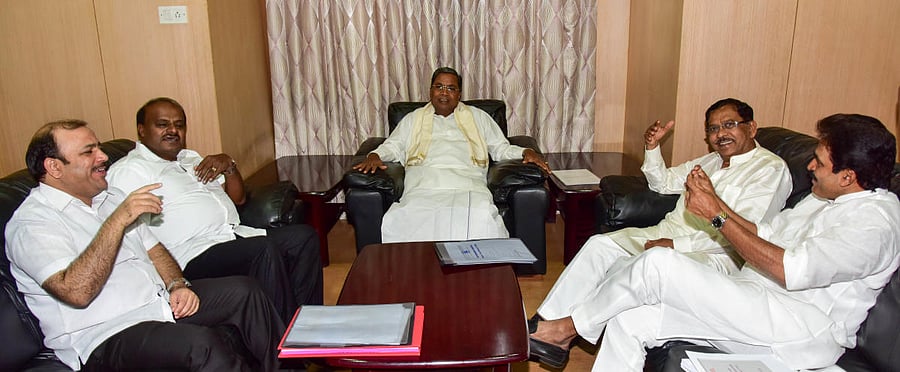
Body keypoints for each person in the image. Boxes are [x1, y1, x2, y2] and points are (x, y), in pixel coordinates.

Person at [529, 114, 900, 371]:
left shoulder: (874, 223)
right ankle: (561, 328)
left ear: (849, 176)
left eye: (819, 162)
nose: (810, 167)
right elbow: (764, 235)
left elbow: (791, 270)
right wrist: (716, 204)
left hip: (799, 326)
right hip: (755, 298)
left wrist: (716, 217)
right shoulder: (824, 198)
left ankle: (565, 328)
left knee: (658, 264)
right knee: (630, 319)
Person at [530, 98, 792, 367]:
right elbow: (664, 182)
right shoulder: (712, 161)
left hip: (715, 255)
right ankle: (546, 323)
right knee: (600, 245)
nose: (720, 134)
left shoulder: (769, 169)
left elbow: (744, 235)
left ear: (751, 128)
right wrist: (652, 148)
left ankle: (564, 330)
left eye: (729, 125)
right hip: (665, 232)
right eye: (713, 129)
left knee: (634, 265)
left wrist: (675, 245)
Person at [5, 120, 285, 371]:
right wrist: (117, 221)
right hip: (106, 334)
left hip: (158, 307)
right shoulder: (32, 224)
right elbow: (76, 292)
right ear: (54, 167)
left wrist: (177, 284)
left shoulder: (108, 197)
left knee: (245, 292)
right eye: (88, 151)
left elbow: (155, 249)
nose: (102, 157)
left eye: (99, 148)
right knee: (202, 346)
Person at [106, 97, 323, 323]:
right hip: (192, 253)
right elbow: (126, 228)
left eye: (179, 125)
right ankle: (286, 343)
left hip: (232, 236)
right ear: (141, 130)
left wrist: (229, 166)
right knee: (263, 249)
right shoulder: (131, 170)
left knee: (303, 237)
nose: (172, 130)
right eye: (162, 124)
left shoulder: (190, 158)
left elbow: (237, 199)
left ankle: (308, 324)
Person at [352, 67, 551, 242]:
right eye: (439, 87)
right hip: (424, 184)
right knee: (407, 217)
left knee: (480, 215)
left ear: (459, 94)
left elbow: (501, 148)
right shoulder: (413, 119)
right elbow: (393, 146)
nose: (444, 93)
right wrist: (375, 155)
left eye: (451, 88)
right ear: (430, 91)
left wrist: (526, 151)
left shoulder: (479, 117)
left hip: (468, 183)